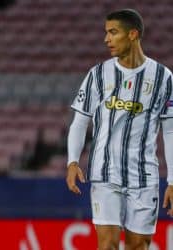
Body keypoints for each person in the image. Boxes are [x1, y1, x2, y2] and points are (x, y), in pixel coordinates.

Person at [66, 9, 173, 249]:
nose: (107, 40)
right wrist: (72, 161)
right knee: (107, 245)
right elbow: (80, 121)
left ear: (133, 34)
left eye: (113, 33)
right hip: (106, 174)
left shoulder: (163, 78)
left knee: (138, 246)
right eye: (106, 33)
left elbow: (170, 131)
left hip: (144, 177)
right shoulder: (98, 75)